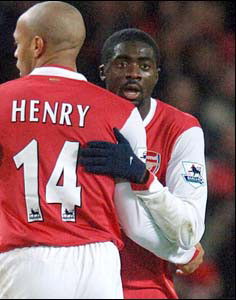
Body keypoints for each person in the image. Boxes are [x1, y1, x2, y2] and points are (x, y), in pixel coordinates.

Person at [0, 3, 201, 299]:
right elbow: (134, 224)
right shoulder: (121, 115)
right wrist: (182, 251)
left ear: (36, 45)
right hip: (100, 269)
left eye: (17, 42)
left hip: (28, 257)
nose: (14, 52)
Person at [80, 28, 208, 298]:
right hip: (79, 281)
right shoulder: (79, 119)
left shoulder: (180, 129)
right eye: (122, 63)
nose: (133, 73)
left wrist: (143, 177)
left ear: (156, 75)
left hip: (144, 286)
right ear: (103, 71)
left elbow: (189, 225)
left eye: (144, 66)